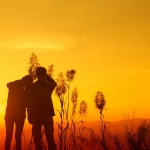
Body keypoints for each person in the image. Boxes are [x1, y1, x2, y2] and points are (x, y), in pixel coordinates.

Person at [27, 67, 57, 150]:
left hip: (37, 115)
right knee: (50, 138)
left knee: (37, 139)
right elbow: (54, 82)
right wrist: (46, 76)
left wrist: (29, 116)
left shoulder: (32, 87)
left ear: (36, 74)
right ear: (45, 73)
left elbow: (30, 103)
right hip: (48, 114)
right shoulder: (48, 86)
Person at [4, 75, 33, 150]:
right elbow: (27, 104)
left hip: (10, 115)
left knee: (9, 136)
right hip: (17, 115)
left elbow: (8, 84)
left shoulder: (13, 86)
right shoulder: (23, 90)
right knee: (16, 136)